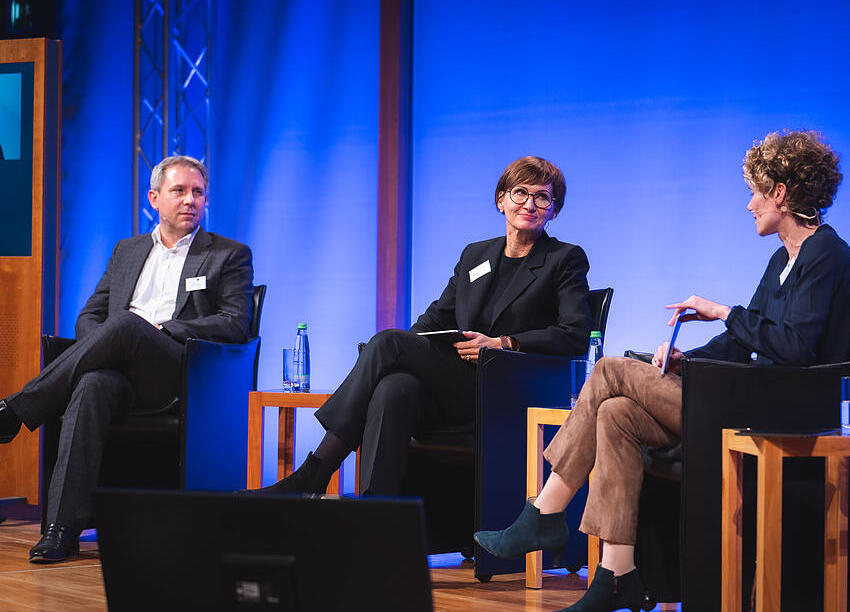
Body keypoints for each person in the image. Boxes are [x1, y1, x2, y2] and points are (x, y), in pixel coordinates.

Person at [474, 131, 850, 612]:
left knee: (611, 372)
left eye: (755, 192)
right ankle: (615, 576)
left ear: (780, 193)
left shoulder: (825, 254)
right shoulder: (783, 260)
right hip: (759, 396)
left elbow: (793, 348)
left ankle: (544, 511)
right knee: (615, 412)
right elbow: (747, 339)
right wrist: (687, 358)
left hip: (786, 410)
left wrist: (723, 310)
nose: (750, 205)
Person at [258, 156, 592, 496]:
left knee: (388, 343)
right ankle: (375, 516)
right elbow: (432, 321)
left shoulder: (564, 259)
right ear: (501, 200)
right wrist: (407, 356)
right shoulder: (476, 256)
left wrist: (504, 343)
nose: (530, 204)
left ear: (554, 209)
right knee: (394, 386)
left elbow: (575, 335)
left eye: (543, 197)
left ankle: (314, 472)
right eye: (520, 193)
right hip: (457, 384)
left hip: (508, 388)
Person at [0, 155, 254, 562]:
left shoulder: (228, 254)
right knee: (91, 383)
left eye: (198, 192)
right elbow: (89, 317)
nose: (190, 200)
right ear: (154, 198)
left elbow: (234, 323)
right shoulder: (128, 250)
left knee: (127, 324)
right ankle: (60, 529)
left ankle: (15, 411)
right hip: (121, 372)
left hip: (180, 372)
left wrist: (165, 330)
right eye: (179, 191)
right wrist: (103, 351)